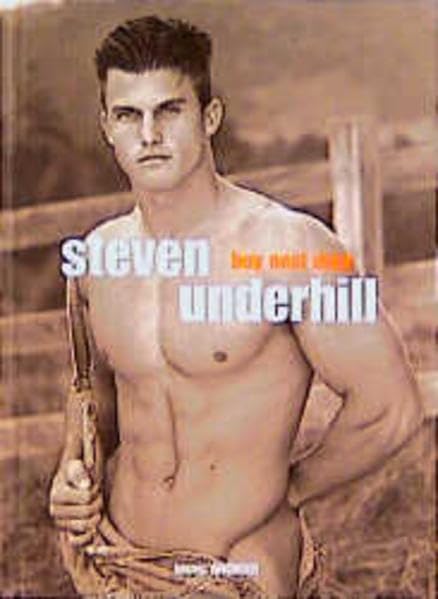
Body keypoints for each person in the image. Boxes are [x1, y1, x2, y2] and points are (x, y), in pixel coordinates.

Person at [49, 15, 424, 598]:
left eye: (169, 110)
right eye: (128, 115)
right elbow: (96, 394)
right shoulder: (99, 256)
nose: (149, 134)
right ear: (106, 127)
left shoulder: (295, 247)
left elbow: (392, 407)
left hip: (231, 573)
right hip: (115, 563)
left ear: (210, 117)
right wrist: (72, 472)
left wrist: (287, 492)